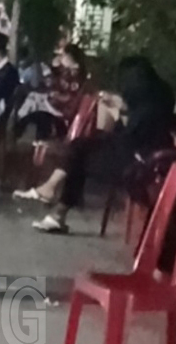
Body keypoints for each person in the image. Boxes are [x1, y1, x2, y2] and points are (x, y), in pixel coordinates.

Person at [20, 57, 175, 233]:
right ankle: (55, 202)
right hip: (146, 153)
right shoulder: (159, 93)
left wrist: (117, 111)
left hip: (139, 162)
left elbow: (132, 134)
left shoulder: (146, 104)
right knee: (80, 146)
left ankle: (56, 205)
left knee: (79, 154)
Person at [14, 44, 88, 142]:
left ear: (70, 56)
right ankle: (18, 125)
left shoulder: (76, 74)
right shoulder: (67, 70)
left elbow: (70, 96)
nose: (60, 58)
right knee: (31, 97)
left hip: (61, 108)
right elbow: (53, 80)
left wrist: (55, 95)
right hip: (54, 102)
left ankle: (17, 127)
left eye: (63, 55)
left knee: (34, 99)